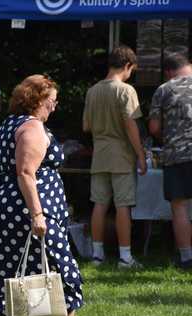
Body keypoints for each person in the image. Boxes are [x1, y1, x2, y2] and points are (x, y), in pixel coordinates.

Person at [0, 75, 107, 316]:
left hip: (3, 212)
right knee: (61, 270)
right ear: (35, 101)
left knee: (1, 276)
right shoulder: (32, 127)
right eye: (51, 101)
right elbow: (25, 173)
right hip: (26, 213)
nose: (54, 107)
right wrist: (37, 214)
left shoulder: (9, 124)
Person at [83, 45, 146, 269]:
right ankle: (125, 257)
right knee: (123, 206)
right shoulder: (126, 90)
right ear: (127, 65)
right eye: (132, 70)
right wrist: (141, 154)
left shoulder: (92, 91)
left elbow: (86, 126)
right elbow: (131, 126)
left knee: (99, 204)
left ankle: (97, 255)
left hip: (99, 155)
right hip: (121, 155)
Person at [148, 53, 192, 269]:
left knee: (180, 206)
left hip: (176, 154)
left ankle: (186, 257)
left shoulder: (164, 90)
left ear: (168, 72)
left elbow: (154, 128)